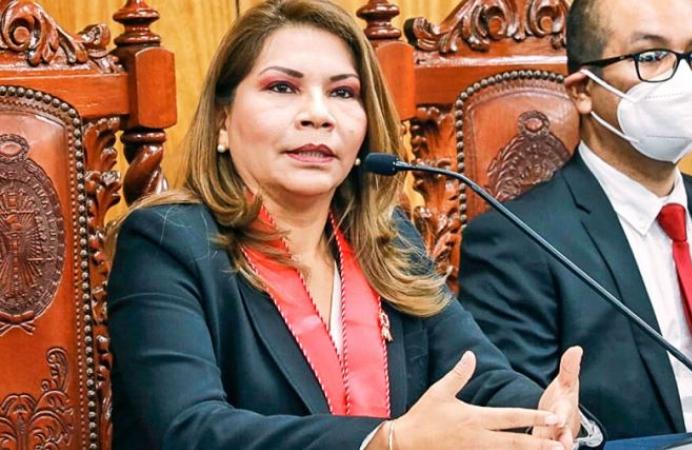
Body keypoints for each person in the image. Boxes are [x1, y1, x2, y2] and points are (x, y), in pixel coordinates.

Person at [106, 1, 605, 449]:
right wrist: (387, 441)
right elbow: (190, 430)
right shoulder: (166, 241)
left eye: (343, 92)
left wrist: (545, 416)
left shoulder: (387, 239)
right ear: (221, 119)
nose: (318, 115)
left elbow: (480, 378)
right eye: (282, 87)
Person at [458, 0, 692, 441]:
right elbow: (528, 425)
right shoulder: (518, 242)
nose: (685, 81)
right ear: (583, 90)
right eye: (652, 57)